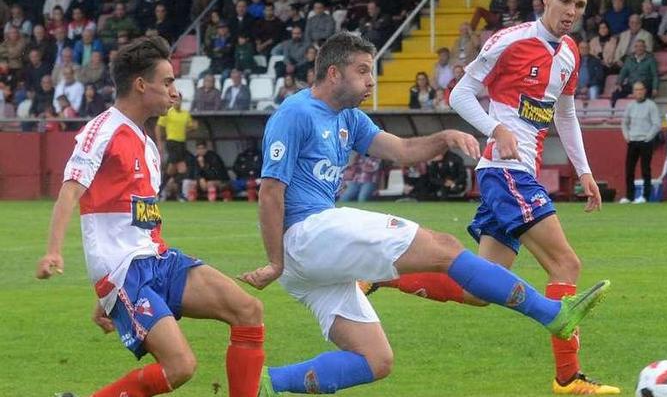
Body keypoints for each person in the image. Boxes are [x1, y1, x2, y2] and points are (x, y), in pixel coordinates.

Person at [238, 31, 609, 395]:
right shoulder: (296, 113)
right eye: (363, 71)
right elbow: (271, 192)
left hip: (311, 258)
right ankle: (554, 314)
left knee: (375, 360)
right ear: (333, 73)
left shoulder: (347, 118)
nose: (371, 81)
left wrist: (445, 138)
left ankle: (264, 384)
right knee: (444, 247)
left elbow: (400, 150)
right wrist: (275, 262)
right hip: (307, 233)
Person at [368, 0, 619, 395]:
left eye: (578, 5)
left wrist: (585, 171)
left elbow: (566, 114)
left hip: (516, 174)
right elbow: (459, 93)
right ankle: (569, 379)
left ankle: (380, 274)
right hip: (507, 172)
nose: (570, 12)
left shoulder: (570, 54)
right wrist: (494, 128)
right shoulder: (511, 40)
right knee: (566, 264)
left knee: (481, 287)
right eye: (564, 2)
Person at [35, 36, 265, 397]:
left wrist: (107, 299)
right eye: (168, 81)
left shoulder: (147, 145)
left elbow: (141, 219)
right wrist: (54, 252)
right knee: (180, 367)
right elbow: (69, 191)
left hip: (155, 258)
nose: (175, 92)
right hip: (125, 269)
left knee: (248, 310)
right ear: (141, 84)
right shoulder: (102, 130)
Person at [620, 81, 661, 204]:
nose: (639, 92)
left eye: (641, 89)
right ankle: (629, 196)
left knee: (645, 170)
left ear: (645, 91)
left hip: (645, 142)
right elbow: (624, 122)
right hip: (632, 141)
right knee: (629, 170)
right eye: (636, 90)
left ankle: (645, 196)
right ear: (633, 92)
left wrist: (648, 137)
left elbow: (656, 124)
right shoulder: (630, 106)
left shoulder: (651, 105)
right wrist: (627, 136)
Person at [156, 95, 197, 198]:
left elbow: (190, 127)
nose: (177, 102)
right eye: (175, 100)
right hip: (172, 142)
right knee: (181, 168)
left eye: (179, 100)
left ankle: (161, 191)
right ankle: (177, 194)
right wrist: (159, 143)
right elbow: (158, 127)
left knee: (173, 169)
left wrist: (193, 127)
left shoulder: (185, 114)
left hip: (182, 143)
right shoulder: (168, 112)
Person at [612, 39, 658, 107]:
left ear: (645, 48)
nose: (639, 48)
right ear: (634, 48)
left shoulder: (651, 60)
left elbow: (655, 75)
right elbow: (623, 72)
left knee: (644, 96)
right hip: (631, 85)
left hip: (644, 85)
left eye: (641, 46)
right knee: (616, 93)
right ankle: (614, 113)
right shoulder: (629, 59)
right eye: (637, 46)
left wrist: (655, 88)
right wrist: (619, 83)